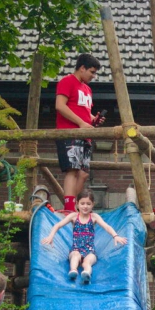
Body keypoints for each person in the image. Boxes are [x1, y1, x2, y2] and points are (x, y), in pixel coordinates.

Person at [41, 189, 127, 283]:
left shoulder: (94, 217)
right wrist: (50, 237)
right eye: (82, 203)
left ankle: (86, 274)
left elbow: (106, 226)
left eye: (88, 204)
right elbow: (58, 225)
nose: (85, 206)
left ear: (93, 204)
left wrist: (115, 236)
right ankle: (73, 271)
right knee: (75, 256)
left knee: (87, 262)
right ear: (77, 204)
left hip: (90, 251)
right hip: (75, 249)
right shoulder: (73, 216)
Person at [55, 53, 105, 213]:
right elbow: (60, 106)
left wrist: (93, 119)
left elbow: (84, 111)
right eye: (92, 71)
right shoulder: (67, 81)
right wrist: (81, 123)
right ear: (82, 68)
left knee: (83, 174)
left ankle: (73, 206)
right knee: (72, 169)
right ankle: (69, 208)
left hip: (85, 135)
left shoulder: (87, 89)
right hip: (69, 133)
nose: (93, 76)